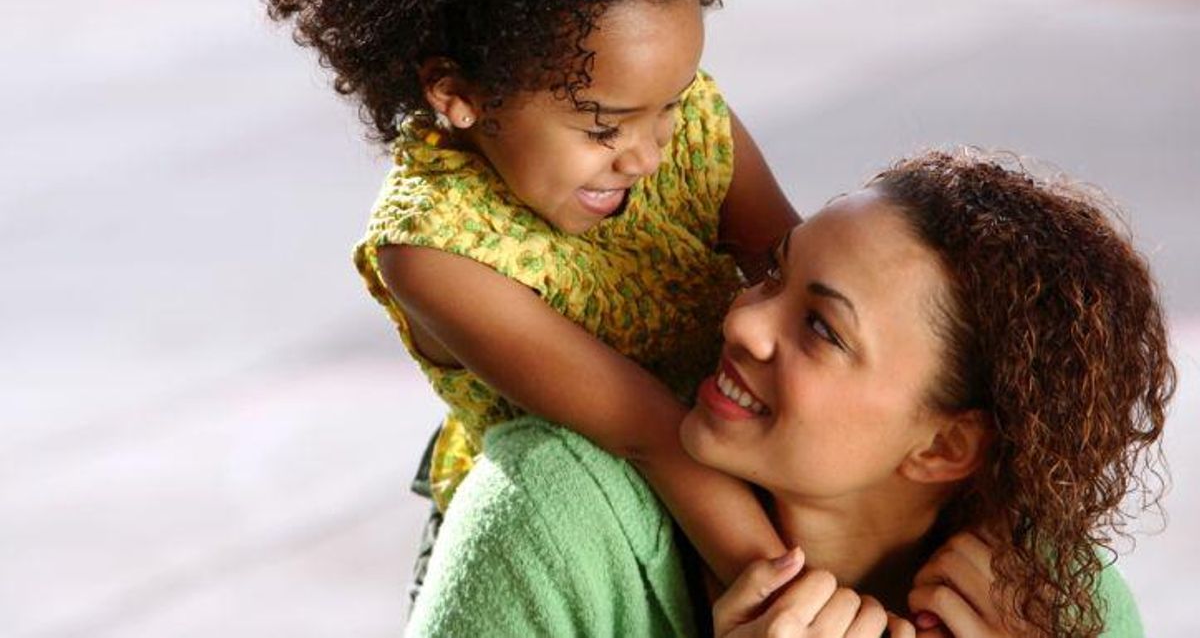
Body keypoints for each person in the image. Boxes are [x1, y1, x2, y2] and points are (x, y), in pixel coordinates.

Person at [262, 0, 797, 603]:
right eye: (604, 128)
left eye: (669, 104)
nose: (646, 154)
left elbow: (798, 275)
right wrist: (803, 595)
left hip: (718, 473)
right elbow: (651, 434)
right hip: (569, 546)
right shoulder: (435, 250)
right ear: (458, 93)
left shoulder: (687, 126)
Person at [408, 150, 1174, 638]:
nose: (742, 319)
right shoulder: (552, 515)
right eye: (774, 270)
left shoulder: (1057, 608)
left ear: (945, 445)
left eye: (821, 328)